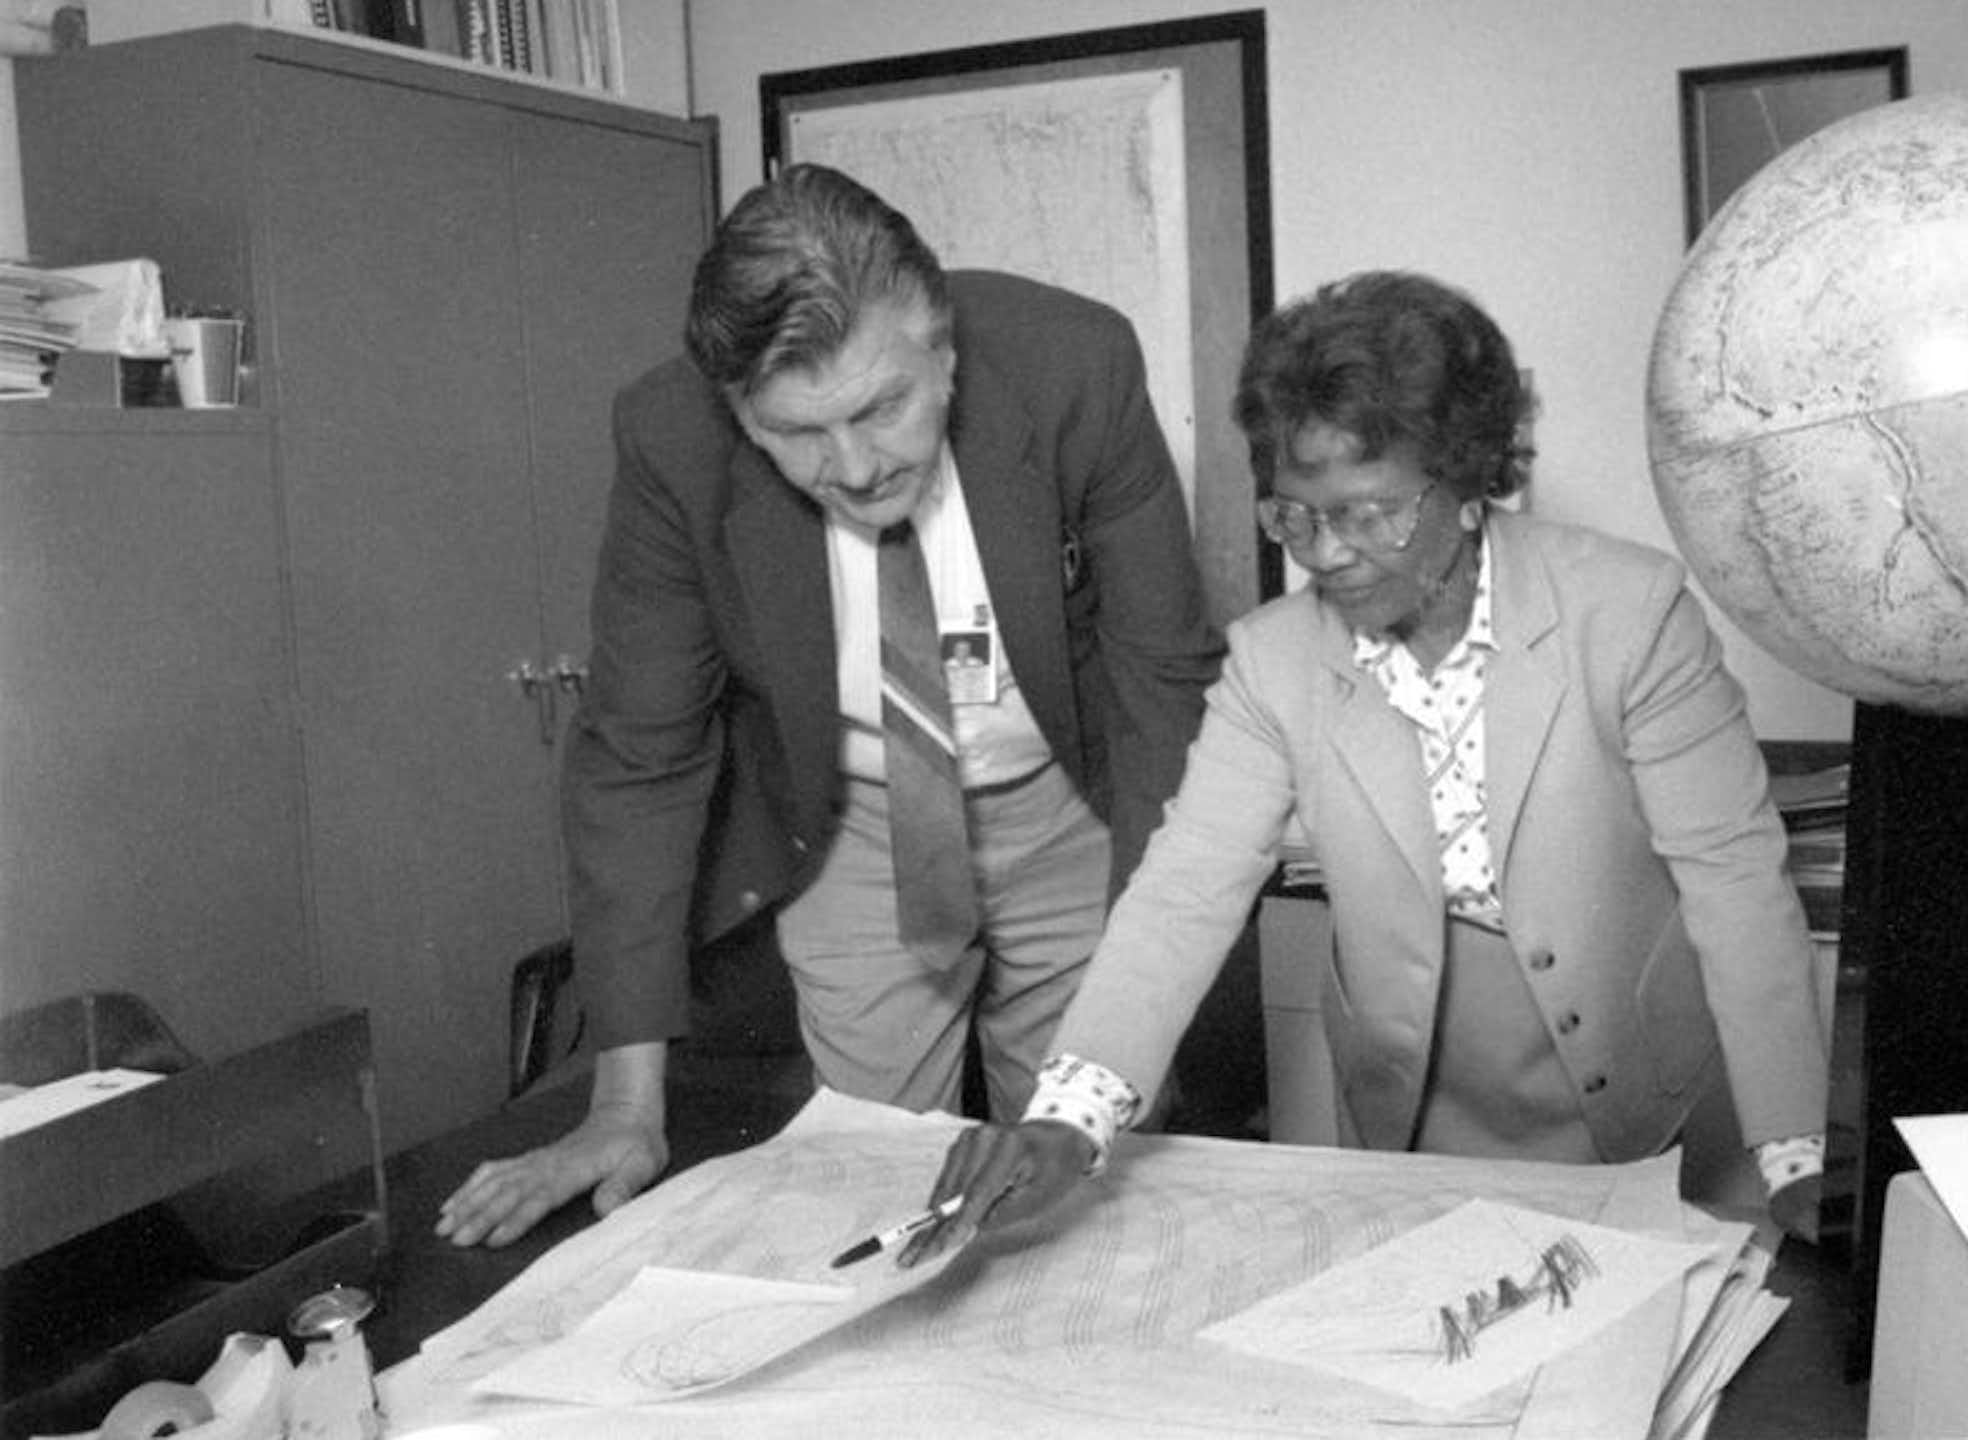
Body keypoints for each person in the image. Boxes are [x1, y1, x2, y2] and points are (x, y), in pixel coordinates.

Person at [905, 270, 1832, 1263]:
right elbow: (1182, 891)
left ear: (1468, 477)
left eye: (1368, 511)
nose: (1328, 555)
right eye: (1294, 516)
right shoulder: (1273, 660)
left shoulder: (1631, 614)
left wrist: (1797, 1151)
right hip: (1410, 1098)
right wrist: (1065, 1118)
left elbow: (1732, 884)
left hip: (1638, 1081)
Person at [436, 164, 1223, 1247]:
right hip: (851, 822)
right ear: (734, 409)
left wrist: (1150, 973)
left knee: (1087, 1183)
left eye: (883, 407)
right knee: (875, 1193)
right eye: (797, 434)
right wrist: (623, 1110)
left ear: (940, 346)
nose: (852, 467)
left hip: (1068, 809)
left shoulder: (1072, 364)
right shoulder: (670, 438)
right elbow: (640, 757)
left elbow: (1162, 681)